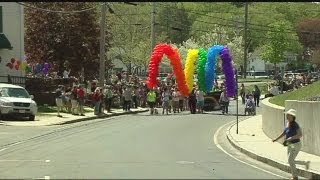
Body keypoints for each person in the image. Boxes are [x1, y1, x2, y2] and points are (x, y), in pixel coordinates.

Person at [272, 109, 310, 180]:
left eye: (288, 115)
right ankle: (305, 163)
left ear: (292, 116)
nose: (287, 116)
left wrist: (291, 138)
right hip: (290, 144)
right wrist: (276, 139)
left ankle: (295, 177)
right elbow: (284, 133)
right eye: (287, 115)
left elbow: (300, 135)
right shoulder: (287, 123)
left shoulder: (295, 125)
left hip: (296, 144)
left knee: (290, 160)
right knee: (290, 160)